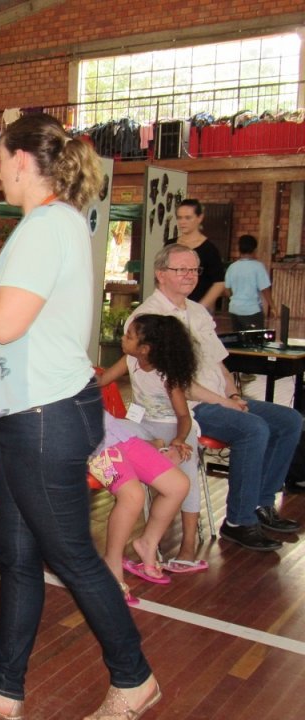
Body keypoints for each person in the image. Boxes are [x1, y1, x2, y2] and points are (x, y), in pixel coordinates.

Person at [0, 113, 160, 719]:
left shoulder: (48, 225)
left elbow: (3, 323)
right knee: (17, 554)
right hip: (24, 413)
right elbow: (12, 303)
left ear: (19, 160)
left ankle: (134, 678)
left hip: (45, 415)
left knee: (72, 556)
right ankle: (2, 686)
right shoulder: (47, 224)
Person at [130, 243, 302, 551]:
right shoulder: (149, 319)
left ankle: (261, 504)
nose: (189, 275)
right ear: (160, 274)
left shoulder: (197, 311)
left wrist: (234, 393)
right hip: (186, 408)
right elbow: (177, 384)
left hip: (219, 398)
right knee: (253, 428)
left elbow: (218, 363)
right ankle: (238, 522)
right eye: (180, 269)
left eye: (194, 269)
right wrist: (225, 403)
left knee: (289, 420)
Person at [99, 313, 205, 570]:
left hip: (174, 427)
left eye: (129, 336)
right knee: (112, 430)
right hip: (143, 424)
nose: (123, 339)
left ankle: (188, 544)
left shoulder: (167, 376)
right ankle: (151, 450)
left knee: (186, 471)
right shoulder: (130, 360)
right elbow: (102, 381)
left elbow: (183, 416)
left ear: (145, 349)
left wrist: (179, 439)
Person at [89, 413, 189, 605]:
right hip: (93, 447)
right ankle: (112, 562)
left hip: (118, 434)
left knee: (178, 485)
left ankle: (147, 544)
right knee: (132, 496)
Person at [175, 199, 225, 311]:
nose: (182, 222)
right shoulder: (170, 245)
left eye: (188, 218)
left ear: (200, 218)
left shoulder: (209, 249)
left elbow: (219, 283)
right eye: (179, 218)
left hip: (197, 307)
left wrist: (200, 307)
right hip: (172, 306)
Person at [225, 234, 272, 331]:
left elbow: (227, 289)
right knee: (255, 338)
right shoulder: (258, 267)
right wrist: (273, 306)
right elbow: (265, 289)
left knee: (238, 338)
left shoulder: (232, 267)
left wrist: (236, 300)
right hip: (252, 310)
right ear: (254, 249)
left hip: (234, 309)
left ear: (239, 248)